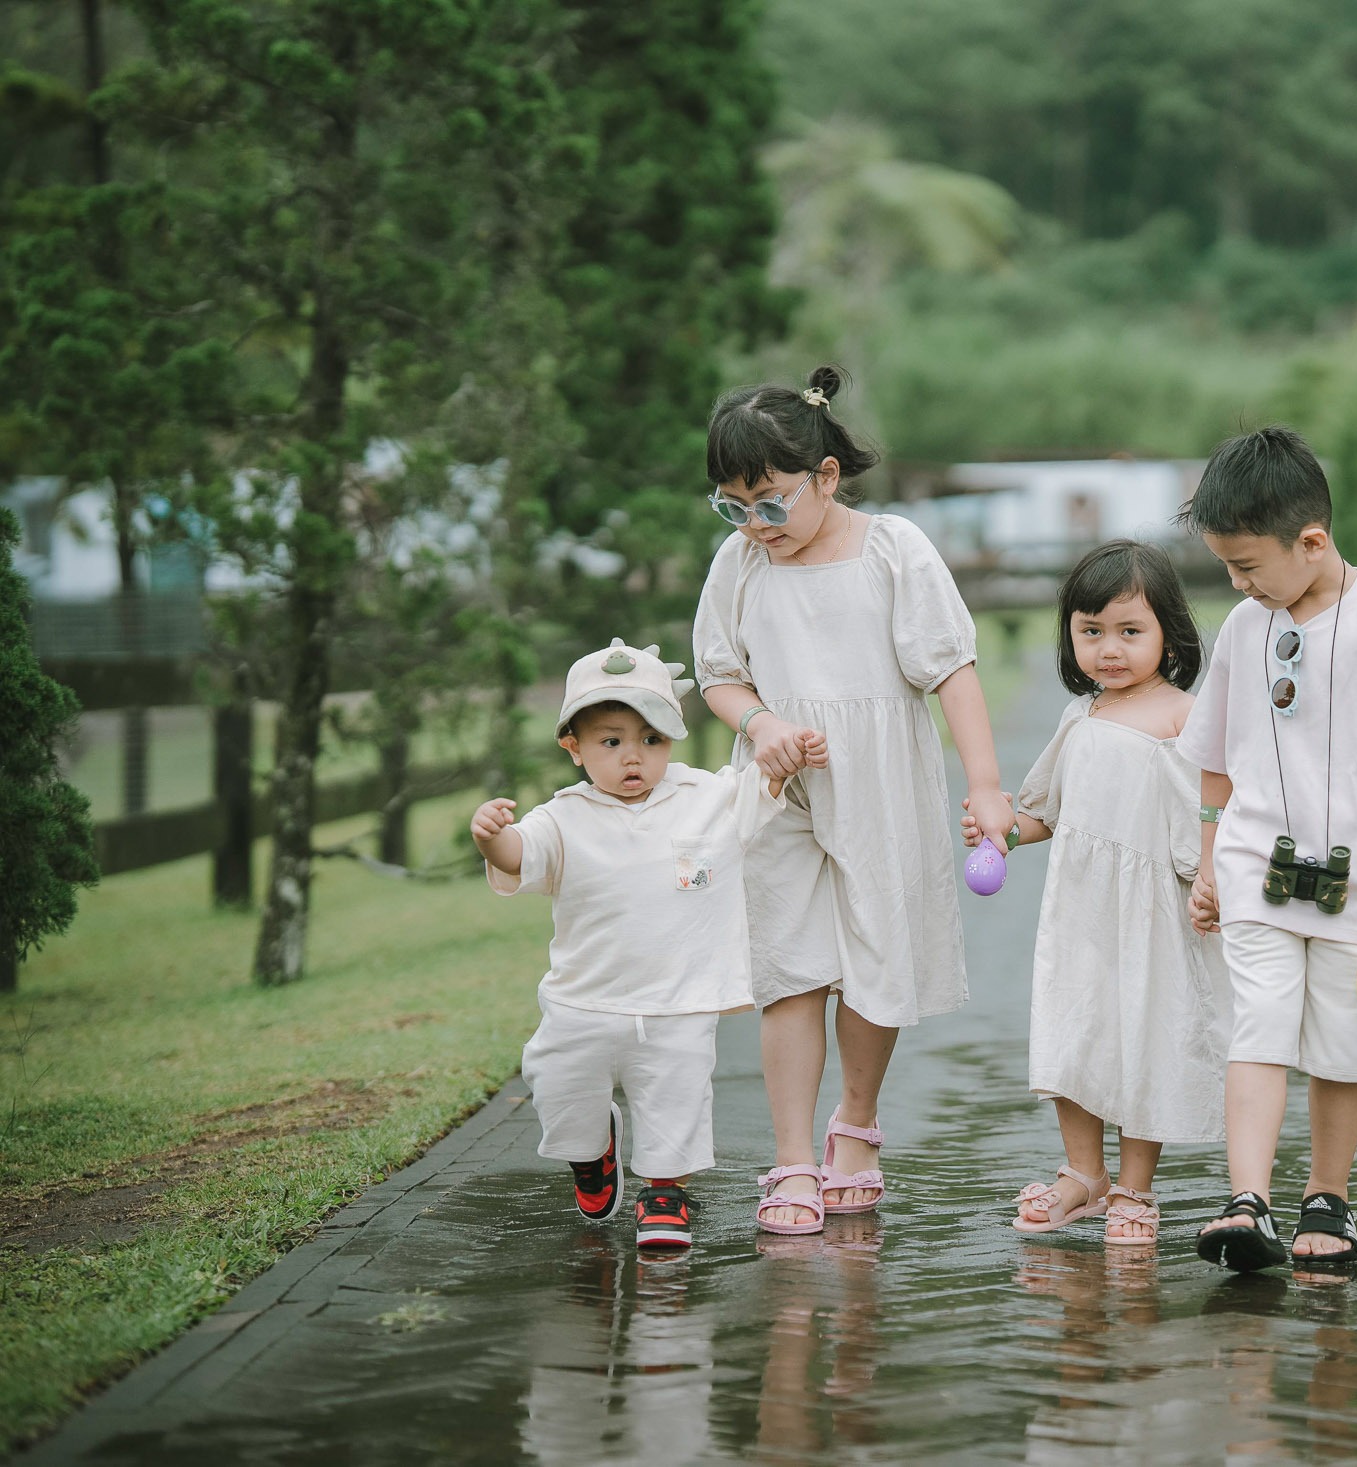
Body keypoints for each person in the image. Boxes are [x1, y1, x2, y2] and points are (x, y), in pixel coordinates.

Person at [692, 365, 1014, 1237]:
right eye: (733, 507)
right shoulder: (741, 563)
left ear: (825, 477)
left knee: (877, 953)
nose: (755, 526)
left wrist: (984, 784)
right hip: (781, 786)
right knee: (790, 965)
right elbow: (719, 673)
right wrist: (760, 724)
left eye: (768, 503)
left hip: (881, 783)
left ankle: (856, 1123)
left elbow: (950, 667)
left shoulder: (892, 549)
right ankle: (793, 1154)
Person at [1178, 426, 1357, 1272]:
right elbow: (1214, 760)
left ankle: (1327, 1196)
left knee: (1344, 1040)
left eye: (1249, 565)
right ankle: (1247, 1201)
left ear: (1312, 540)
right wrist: (1206, 858)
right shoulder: (1242, 626)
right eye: (1227, 567)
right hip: (1256, 869)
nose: (1237, 582)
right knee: (1258, 1026)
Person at [472, 638, 817, 1251]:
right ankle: (590, 1150)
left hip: (679, 1001)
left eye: (651, 740)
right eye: (611, 741)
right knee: (559, 1089)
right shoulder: (562, 818)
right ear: (572, 747)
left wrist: (786, 754)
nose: (634, 757)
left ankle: (664, 1191)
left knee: (676, 1095)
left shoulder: (705, 799)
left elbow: (761, 787)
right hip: (583, 1002)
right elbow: (517, 859)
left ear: (672, 740)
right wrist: (491, 838)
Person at [963, 540, 1226, 1246]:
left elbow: (1214, 813)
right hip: (1079, 913)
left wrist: (1211, 876)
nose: (1109, 649)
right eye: (1091, 630)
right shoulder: (1079, 716)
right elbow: (1046, 809)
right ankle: (1084, 1172)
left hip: (1153, 916)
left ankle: (1135, 1185)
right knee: (1075, 1031)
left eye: (1129, 630)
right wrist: (1003, 831)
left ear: (1169, 631)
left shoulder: (1184, 717)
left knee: (1144, 1036)